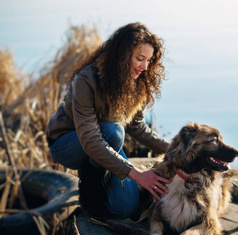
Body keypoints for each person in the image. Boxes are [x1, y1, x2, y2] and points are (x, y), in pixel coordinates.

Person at [46, 22, 171, 220]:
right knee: (113, 131)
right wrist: (137, 174)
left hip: (104, 142)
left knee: (126, 210)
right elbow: (90, 140)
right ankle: (90, 188)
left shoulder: (137, 81)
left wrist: (174, 149)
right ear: (123, 55)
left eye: (149, 60)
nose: (145, 67)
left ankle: (103, 176)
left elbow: (136, 126)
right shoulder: (85, 81)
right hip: (68, 145)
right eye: (140, 59)